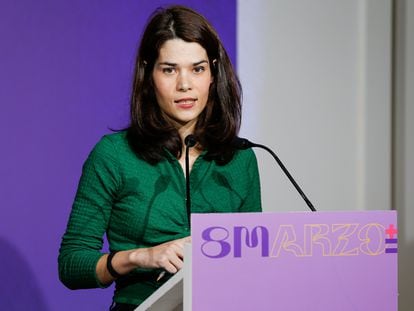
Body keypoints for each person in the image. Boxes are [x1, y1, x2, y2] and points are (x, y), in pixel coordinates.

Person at [58, 5, 261, 310]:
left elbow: (253, 261)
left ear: (213, 73)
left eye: (197, 68)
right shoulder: (114, 154)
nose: (184, 84)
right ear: (149, 73)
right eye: (169, 69)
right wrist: (142, 256)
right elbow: (72, 264)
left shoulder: (240, 158)